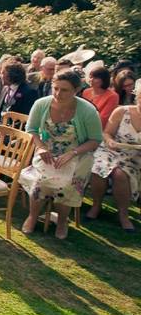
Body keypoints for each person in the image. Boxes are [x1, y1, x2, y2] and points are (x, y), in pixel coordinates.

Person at [19, 70, 103, 239]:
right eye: (55, 88)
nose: (58, 94)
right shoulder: (41, 104)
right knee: (39, 181)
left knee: (66, 184)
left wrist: (73, 153)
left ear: (76, 90)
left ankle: (63, 221)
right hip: (47, 152)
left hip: (78, 154)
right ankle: (33, 216)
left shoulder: (87, 111)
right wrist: (41, 147)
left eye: (64, 90)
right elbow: (31, 129)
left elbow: (95, 140)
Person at [87, 83, 141, 231]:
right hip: (110, 150)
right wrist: (110, 141)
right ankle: (96, 205)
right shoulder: (122, 111)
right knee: (99, 168)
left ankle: (123, 215)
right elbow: (106, 133)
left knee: (120, 175)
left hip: (134, 157)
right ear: (137, 97)